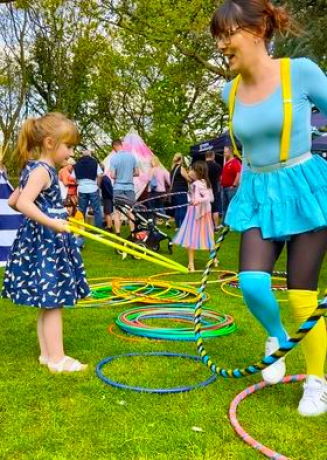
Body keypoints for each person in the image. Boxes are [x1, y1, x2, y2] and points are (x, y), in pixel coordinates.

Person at [211, 0, 327, 416]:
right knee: (252, 283)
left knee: (301, 295)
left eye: (228, 34)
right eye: (217, 37)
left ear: (257, 31)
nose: (222, 44)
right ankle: (277, 339)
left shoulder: (301, 71)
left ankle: (317, 381)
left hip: (304, 186)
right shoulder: (230, 91)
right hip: (260, 192)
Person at [1, 112, 90, 372]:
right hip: (47, 244)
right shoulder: (43, 172)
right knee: (53, 302)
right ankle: (57, 359)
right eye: (69, 146)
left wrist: (46, 217)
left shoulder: (33, 169)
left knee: (47, 300)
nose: (71, 152)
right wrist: (51, 221)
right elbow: (25, 203)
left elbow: (12, 201)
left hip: (40, 242)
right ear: (50, 143)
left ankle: (46, 355)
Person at [173, 161, 217, 272]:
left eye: (192, 170)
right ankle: (202, 261)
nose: (189, 171)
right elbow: (205, 198)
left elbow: (208, 198)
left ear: (198, 172)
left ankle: (202, 261)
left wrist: (198, 200)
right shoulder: (199, 183)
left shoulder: (199, 184)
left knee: (196, 236)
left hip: (199, 214)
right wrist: (192, 200)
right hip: (195, 213)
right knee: (203, 236)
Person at [110, 139, 139, 235]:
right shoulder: (131, 157)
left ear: (114, 147)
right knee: (131, 211)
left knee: (117, 212)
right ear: (121, 145)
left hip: (118, 187)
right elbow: (137, 173)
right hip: (130, 188)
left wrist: (119, 175)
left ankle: (118, 233)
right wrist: (129, 175)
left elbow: (113, 175)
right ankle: (133, 232)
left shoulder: (114, 158)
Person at [74, 149, 103, 228]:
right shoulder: (94, 163)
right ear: (90, 155)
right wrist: (98, 185)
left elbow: (73, 177)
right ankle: (99, 229)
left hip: (81, 189)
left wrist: (78, 183)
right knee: (97, 210)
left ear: (82, 155)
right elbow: (100, 175)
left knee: (81, 210)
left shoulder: (77, 164)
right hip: (93, 188)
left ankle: (80, 228)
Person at [220, 143, 241, 224]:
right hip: (224, 187)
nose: (224, 154)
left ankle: (233, 223)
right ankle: (225, 223)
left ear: (230, 152)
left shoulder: (235, 162)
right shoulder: (227, 163)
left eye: (225, 152)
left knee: (232, 206)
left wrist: (234, 185)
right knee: (224, 206)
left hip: (231, 188)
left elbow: (238, 173)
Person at [148, 155, 170, 223]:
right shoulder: (163, 170)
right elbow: (169, 181)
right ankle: (166, 221)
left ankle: (153, 223)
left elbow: (149, 180)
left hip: (153, 191)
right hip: (162, 191)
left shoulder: (152, 170)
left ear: (153, 162)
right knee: (161, 207)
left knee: (152, 208)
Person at [170, 153, 189, 229]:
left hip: (174, 190)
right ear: (181, 159)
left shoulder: (172, 169)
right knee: (183, 207)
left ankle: (178, 226)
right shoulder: (180, 168)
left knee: (177, 208)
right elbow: (188, 178)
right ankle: (183, 226)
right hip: (181, 190)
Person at [205, 150, 222, 229]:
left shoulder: (202, 166)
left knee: (205, 208)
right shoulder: (217, 166)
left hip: (203, 189)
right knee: (215, 208)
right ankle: (215, 226)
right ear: (213, 156)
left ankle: (207, 226)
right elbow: (220, 178)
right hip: (214, 189)